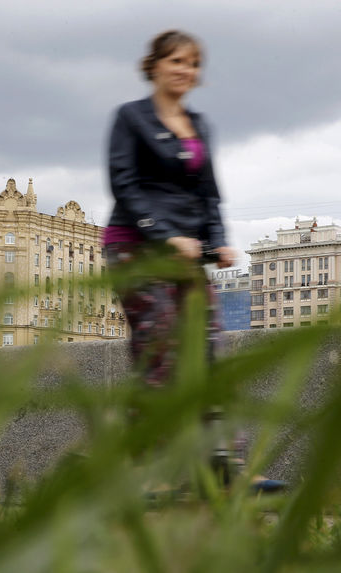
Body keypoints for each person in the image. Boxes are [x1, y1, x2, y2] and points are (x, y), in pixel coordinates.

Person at [104, 30, 284, 492]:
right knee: (161, 354)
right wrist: (165, 236)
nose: (184, 70)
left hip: (187, 255)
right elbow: (125, 185)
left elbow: (209, 196)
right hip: (136, 249)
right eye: (175, 61)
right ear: (154, 66)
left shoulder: (200, 125)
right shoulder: (131, 118)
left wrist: (218, 242)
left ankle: (229, 466)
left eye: (192, 63)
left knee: (209, 354)